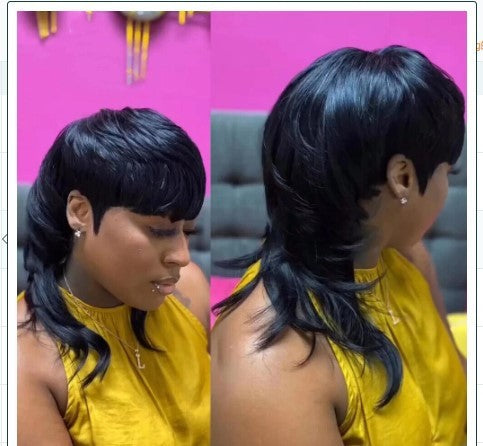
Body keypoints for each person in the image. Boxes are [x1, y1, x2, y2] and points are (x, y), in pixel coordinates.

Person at [211, 46, 466, 445]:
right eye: (448, 172)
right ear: (402, 177)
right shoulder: (272, 361)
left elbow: (458, 381)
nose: (446, 188)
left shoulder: (406, 257)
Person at [17, 108, 210, 446]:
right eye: (159, 230)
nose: (182, 256)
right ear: (80, 212)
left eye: (187, 231)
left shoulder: (189, 289)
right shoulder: (24, 359)